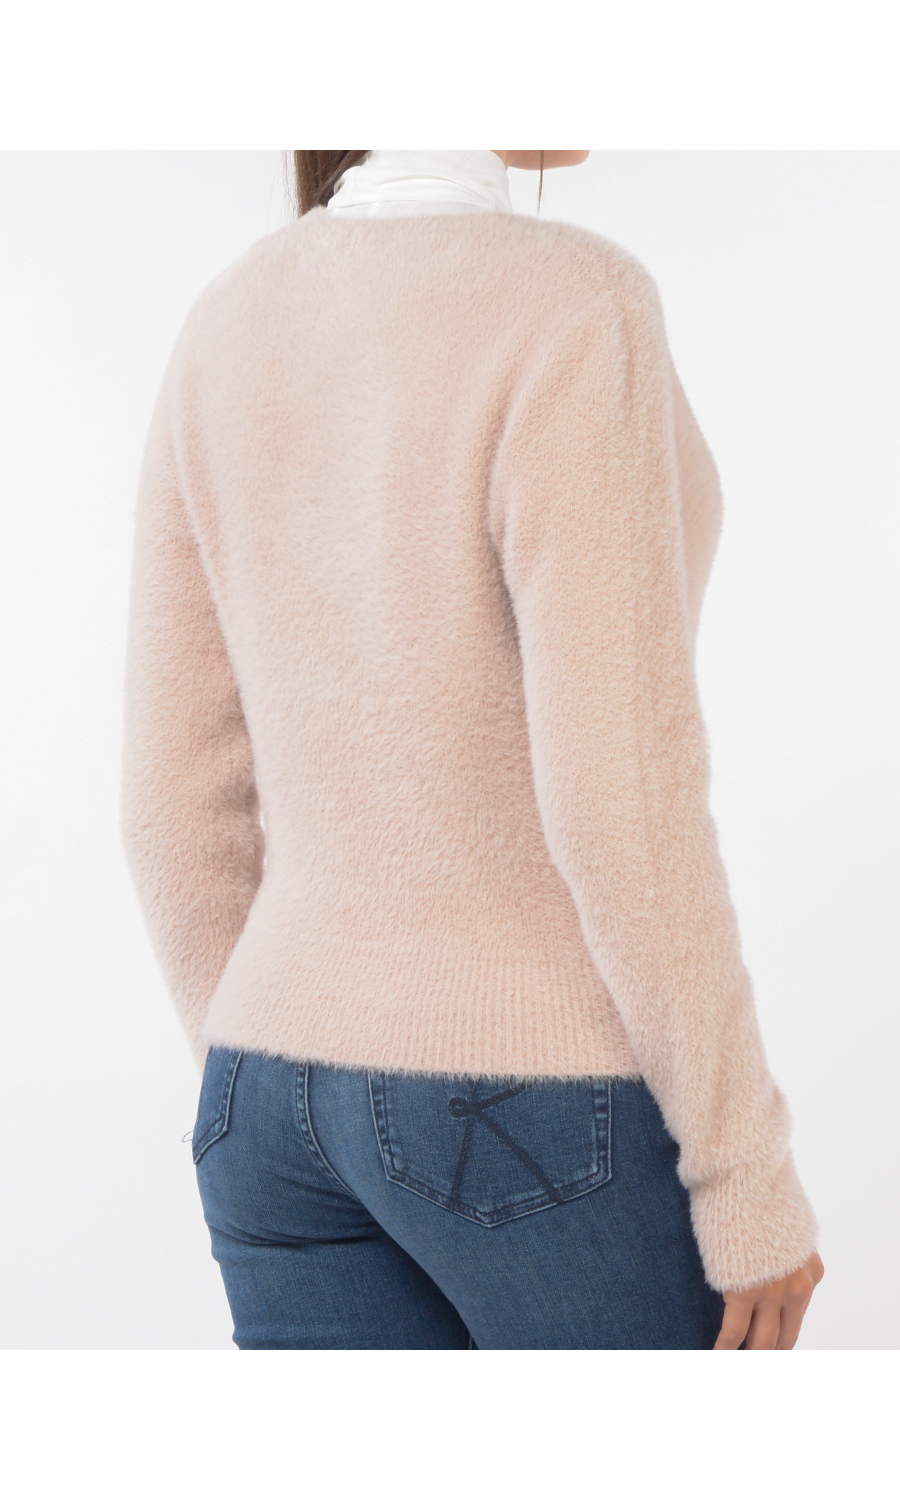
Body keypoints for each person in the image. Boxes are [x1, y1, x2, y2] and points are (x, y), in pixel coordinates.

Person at [120, 149, 824, 1349]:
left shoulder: (224, 320)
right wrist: (742, 1172)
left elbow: (167, 805)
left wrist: (280, 1065)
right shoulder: (575, 303)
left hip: (267, 1103)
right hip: (524, 1098)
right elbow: (621, 798)